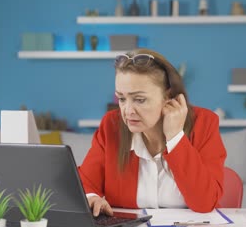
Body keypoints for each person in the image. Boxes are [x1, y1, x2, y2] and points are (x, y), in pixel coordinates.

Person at [78, 48, 226, 217]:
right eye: (122, 98)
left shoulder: (204, 123)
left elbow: (205, 203)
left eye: (139, 100)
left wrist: (175, 137)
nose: (128, 111)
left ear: (168, 96)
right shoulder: (111, 126)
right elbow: (85, 183)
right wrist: (92, 198)